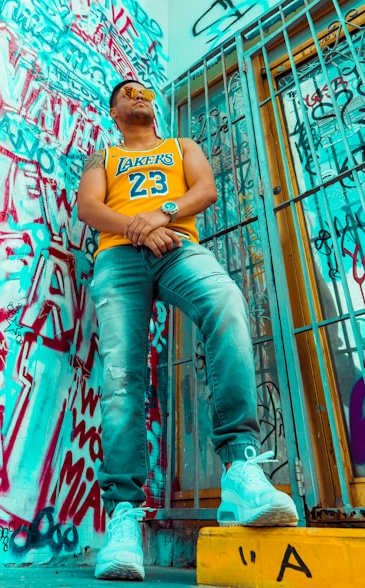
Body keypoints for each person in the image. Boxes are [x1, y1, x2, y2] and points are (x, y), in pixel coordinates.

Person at [76, 80, 299, 582]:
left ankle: (241, 468)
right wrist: (136, 227)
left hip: (179, 246)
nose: (137, 95)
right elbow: (89, 208)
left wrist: (161, 215)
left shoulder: (182, 147)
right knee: (122, 376)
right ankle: (124, 518)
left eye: (142, 90)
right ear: (113, 112)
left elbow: (205, 190)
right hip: (116, 258)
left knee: (226, 302)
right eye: (126, 92)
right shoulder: (103, 157)